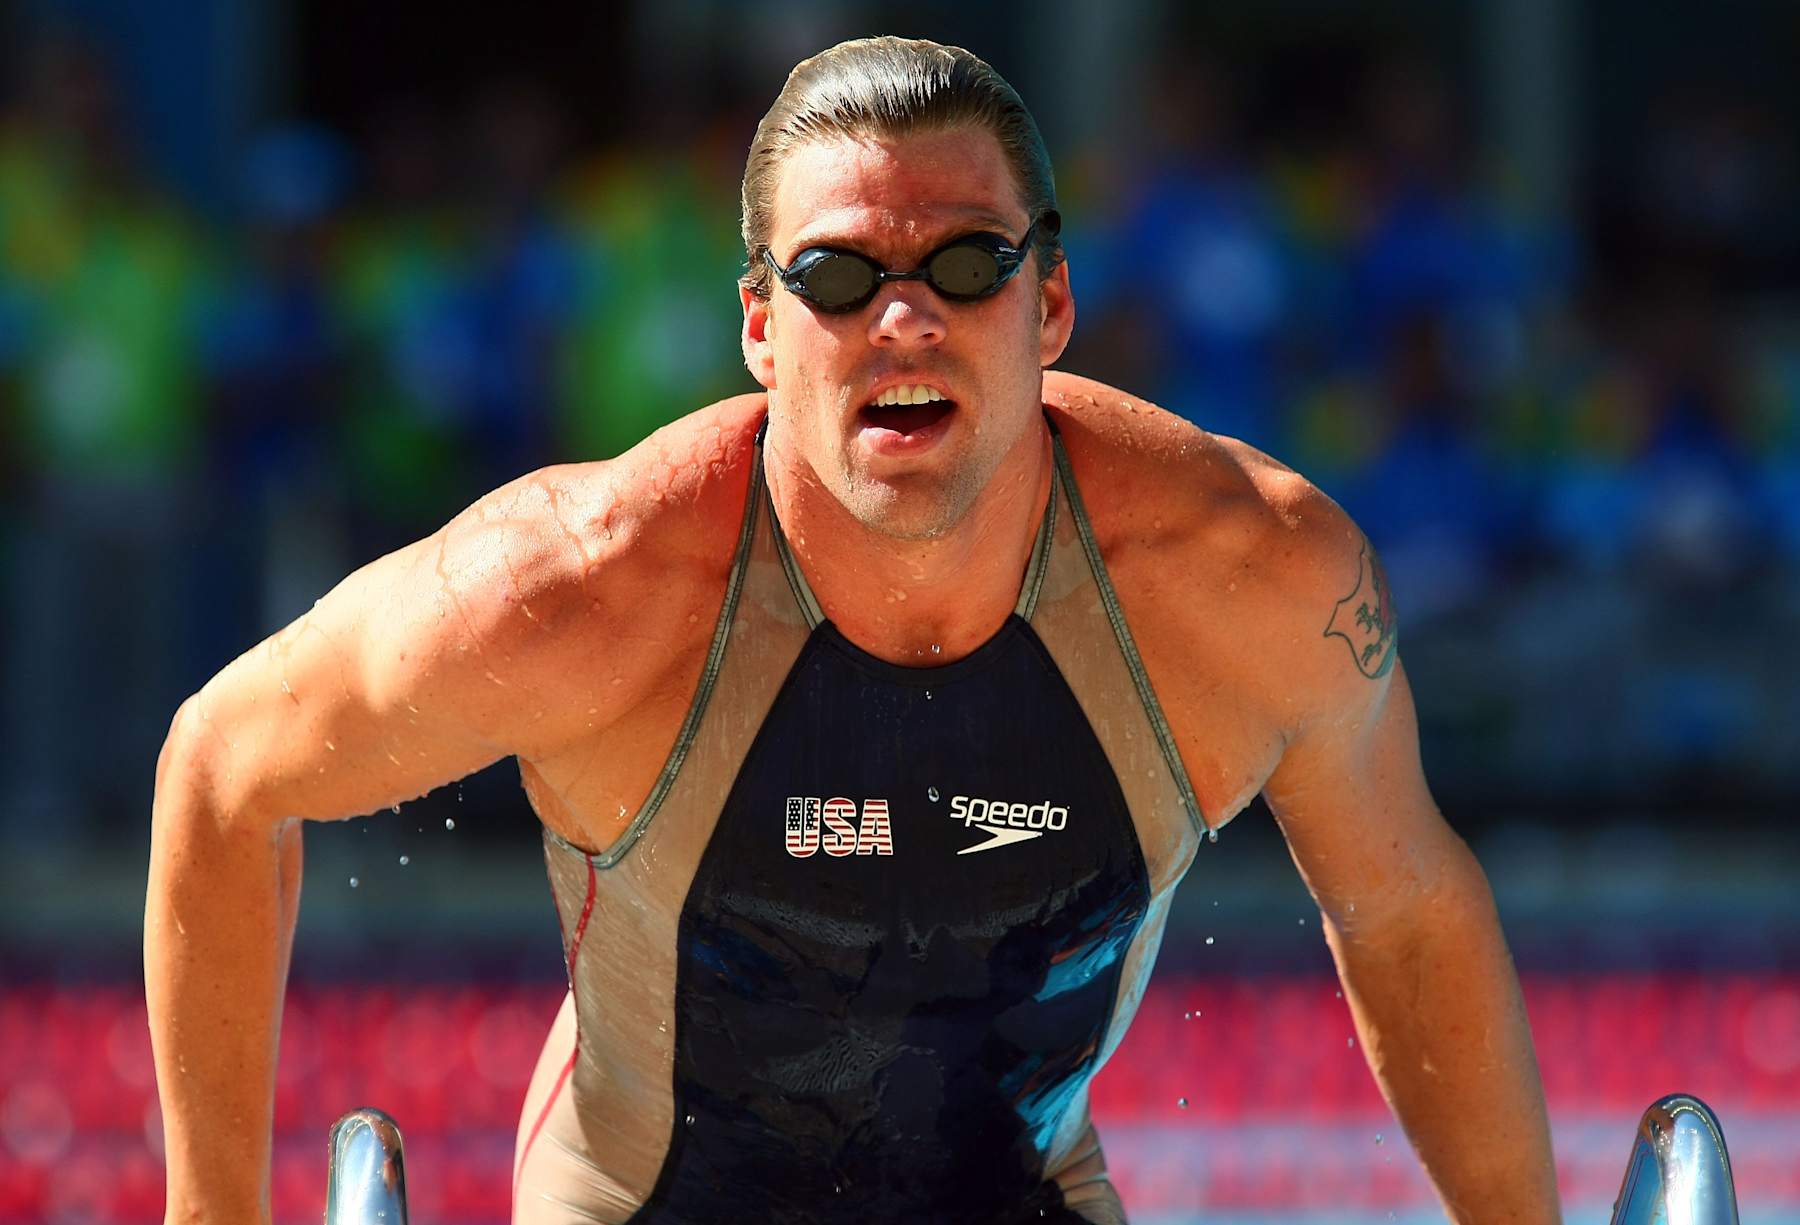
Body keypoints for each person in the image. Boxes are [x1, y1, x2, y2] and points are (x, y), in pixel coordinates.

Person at [146, 36, 1560, 1225]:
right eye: (837, 277)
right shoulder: (581, 588)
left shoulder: (1243, 574)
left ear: (1050, 300)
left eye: (964, 263)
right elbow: (220, 768)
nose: (905, 319)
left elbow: (1409, 910)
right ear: (760, 326)